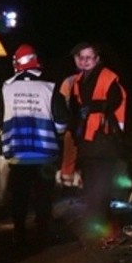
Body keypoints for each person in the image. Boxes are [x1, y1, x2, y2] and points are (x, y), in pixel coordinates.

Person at [0, 44, 69, 245]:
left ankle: (19, 233)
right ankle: (42, 232)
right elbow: (62, 121)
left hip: (18, 155)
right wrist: (56, 134)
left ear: (16, 64)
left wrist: (5, 134)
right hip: (45, 155)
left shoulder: (6, 89)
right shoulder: (50, 88)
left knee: (19, 195)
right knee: (43, 195)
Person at [68, 41, 128, 243]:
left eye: (89, 57)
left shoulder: (109, 78)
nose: (84, 61)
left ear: (97, 59)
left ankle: (100, 229)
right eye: (81, 57)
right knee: (92, 187)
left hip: (105, 142)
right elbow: (77, 112)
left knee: (101, 188)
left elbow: (113, 103)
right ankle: (94, 227)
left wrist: (92, 107)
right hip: (88, 144)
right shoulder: (78, 81)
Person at [56, 52, 87, 190]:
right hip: (79, 125)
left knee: (71, 154)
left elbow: (62, 105)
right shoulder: (70, 82)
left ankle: (68, 180)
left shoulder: (68, 81)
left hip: (75, 125)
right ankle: (69, 180)